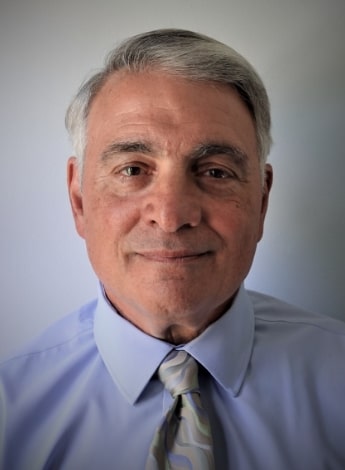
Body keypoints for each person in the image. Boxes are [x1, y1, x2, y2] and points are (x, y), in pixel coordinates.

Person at [0, 28, 344, 470]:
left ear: (261, 200)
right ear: (79, 199)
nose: (171, 214)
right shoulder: (11, 412)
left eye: (216, 172)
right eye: (132, 169)